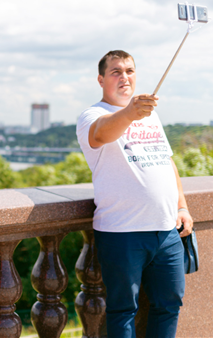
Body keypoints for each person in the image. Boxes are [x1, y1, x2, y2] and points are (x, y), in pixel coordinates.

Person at [76, 50, 194, 338]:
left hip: (166, 231)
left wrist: (182, 207)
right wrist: (130, 112)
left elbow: (166, 161)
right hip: (122, 231)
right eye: (116, 71)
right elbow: (101, 134)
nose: (124, 77)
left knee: (169, 305)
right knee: (122, 310)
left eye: (129, 70)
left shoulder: (149, 116)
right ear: (101, 79)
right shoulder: (92, 115)